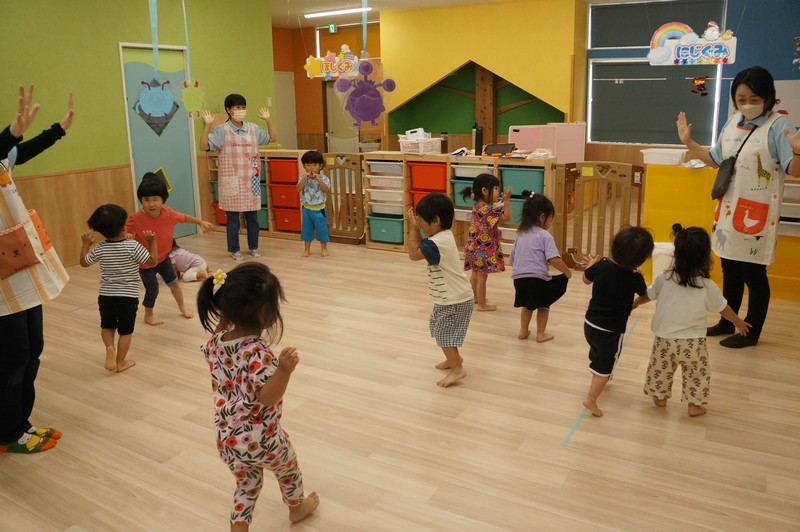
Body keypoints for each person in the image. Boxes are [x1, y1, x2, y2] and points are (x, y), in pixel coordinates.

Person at [677, 65, 800, 348]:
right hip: (728, 211)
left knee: (753, 275)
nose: (747, 104)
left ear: (768, 98)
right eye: (741, 98)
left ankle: (751, 332)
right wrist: (688, 142)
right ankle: (728, 321)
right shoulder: (732, 123)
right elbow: (715, 159)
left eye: (754, 99)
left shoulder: (778, 125)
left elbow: (794, 170)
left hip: (757, 214)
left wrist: (796, 150)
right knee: (730, 268)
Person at [197, 263, 319, 530]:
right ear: (265, 312)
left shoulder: (216, 344)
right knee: (288, 469)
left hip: (228, 438)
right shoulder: (256, 352)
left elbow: (208, 348)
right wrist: (283, 371)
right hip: (263, 438)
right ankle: (297, 508)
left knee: (247, 487)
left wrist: (224, 320)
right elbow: (267, 398)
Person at [0, 84, 73, 454]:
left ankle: (21, 422)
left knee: (32, 349)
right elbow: (7, 144)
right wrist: (12, 132)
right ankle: (8, 433)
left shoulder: (2, 156)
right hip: (2, 284)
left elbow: (19, 152)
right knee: (12, 358)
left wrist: (58, 130)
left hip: (20, 269)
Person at [633, 225, 750, 417]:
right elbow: (723, 308)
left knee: (660, 369)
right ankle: (694, 405)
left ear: (676, 254)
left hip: (665, 339)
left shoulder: (665, 278)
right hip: (693, 343)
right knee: (697, 374)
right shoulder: (707, 286)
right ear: (705, 258)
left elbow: (649, 294)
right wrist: (738, 322)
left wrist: (635, 303)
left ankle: (660, 397)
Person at [581, 226, 654, 417]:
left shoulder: (603, 265)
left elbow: (585, 280)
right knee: (606, 363)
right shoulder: (634, 279)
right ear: (642, 259)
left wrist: (591, 264)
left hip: (589, 323)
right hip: (611, 331)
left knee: (597, 349)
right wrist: (639, 280)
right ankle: (591, 398)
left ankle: (599, 369)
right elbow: (646, 294)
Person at [126, 173, 213, 326]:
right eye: (146, 200)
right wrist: (128, 235)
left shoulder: (169, 214)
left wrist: (200, 222)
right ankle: (148, 315)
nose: (151, 204)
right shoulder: (135, 218)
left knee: (174, 283)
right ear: (141, 201)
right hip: (146, 262)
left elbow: (184, 218)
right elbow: (127, 231)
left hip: (164, 258)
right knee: (152, 289)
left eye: (155, 199)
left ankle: (183, 307)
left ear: (163, 200)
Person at [407, 193, 474, 388]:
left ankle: (457, 369)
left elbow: (413, 254)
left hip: (455, 299)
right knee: (439, 327)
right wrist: (417, 228)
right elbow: (421, 247)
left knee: (444, 333)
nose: (419, 224)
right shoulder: (440, 236)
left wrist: (412, 229)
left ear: (435, 220)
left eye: (421, 220)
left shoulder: (437, 243)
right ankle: (454, 359)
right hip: (451, 297)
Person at [80, 204, 158, 373]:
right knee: (125, 331)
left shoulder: (100, 248)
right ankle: (120, 362)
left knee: (107, 326)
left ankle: (110, 347)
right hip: (127, 297)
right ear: (124, 227)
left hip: (106, 296)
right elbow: (152, 262)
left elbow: (84, 263)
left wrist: (86, 244)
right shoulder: (133, 246)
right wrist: (151, 242)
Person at [200, 94, 276, 261]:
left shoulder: (253, 128)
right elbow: (203, 146)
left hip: (251, 180)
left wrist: (268, 120)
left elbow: (272, 138)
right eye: (237, 107)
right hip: (232, 180)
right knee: (233, 220)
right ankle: (234, 250)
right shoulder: (222, 130)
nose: (241, 110)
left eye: (243, 107)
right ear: (229, 110)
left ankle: (254, 247)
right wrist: (208, 126)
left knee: (252, 219)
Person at [507, 191, 572, 342]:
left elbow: (512, 260)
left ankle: (523, 331)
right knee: (544, 304)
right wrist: (567, 271)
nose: (550, 223)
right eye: (550, 219)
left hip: (519, 280)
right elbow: (554, 259)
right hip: (537, 279)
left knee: (528, 305)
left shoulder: (521, 234)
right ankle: (540, 334)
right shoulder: (545, 236)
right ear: (542, 217)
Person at [462, 173, 512, 311]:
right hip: (482, 249)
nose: (498, 192)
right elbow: (507, 217)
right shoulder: (488, 209)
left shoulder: (478, 206)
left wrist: (496, 206)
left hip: (473, 247)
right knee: (482, 277)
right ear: (484, 190)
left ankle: (475, 298)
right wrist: (506, 201)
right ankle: (482, 305)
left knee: (475, 274)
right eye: (495, 189)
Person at [296, 150, 330, 257]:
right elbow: (298, 189)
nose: (311, 168)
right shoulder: (302, 178)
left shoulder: (324, 178)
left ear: (320, 166)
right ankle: (307, 250)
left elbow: (326, 189)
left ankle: (324, 249)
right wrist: (305, 179)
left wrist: (318, 179)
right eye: (308, 165)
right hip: (307, 209)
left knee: (322, 230)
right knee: (306, 230)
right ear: (304, 166)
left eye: (315, 165)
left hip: (320, 210)